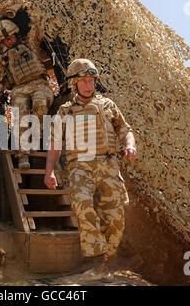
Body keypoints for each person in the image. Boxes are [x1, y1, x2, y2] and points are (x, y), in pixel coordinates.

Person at [44, 59, 137, 282]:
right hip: (80, 167)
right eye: (84, 81)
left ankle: (104, 263)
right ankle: (95, 257)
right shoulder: (65, 112)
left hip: (108, 164)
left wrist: (130, 145)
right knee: (82, 204)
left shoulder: (108, 105)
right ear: (74, 84)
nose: (89, 85)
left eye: (91, 80)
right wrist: (49, 172)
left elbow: (125, 130)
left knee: (115, 218)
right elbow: (55, 144)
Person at [0, 19, 53, 169]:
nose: (9, 40)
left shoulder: (29, 42)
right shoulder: (2, 56)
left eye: (11, 37)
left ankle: (35, 137)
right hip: (19, 88)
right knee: (20, 116)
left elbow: (39, 26)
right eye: (5, 39)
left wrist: (33, 14)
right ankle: (22, 155)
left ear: (16, 33)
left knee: (40, 104)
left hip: (39, 83)